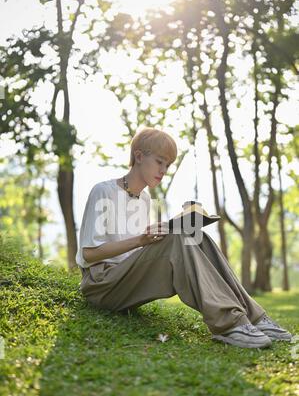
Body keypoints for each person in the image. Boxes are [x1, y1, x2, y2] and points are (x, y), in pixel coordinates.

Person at [76, 127, 292, 349]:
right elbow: (89, 253)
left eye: (168, 165)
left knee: (196, 237)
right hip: (101, 285)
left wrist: (154, 238)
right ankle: (229, 324)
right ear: (139, 156)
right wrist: (141, 240)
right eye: (159, 162)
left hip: (127, 279)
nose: (163, 170)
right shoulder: (103, 191)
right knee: (177, 239)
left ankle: (254, 317)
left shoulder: (144, 199)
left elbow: (134, 251)